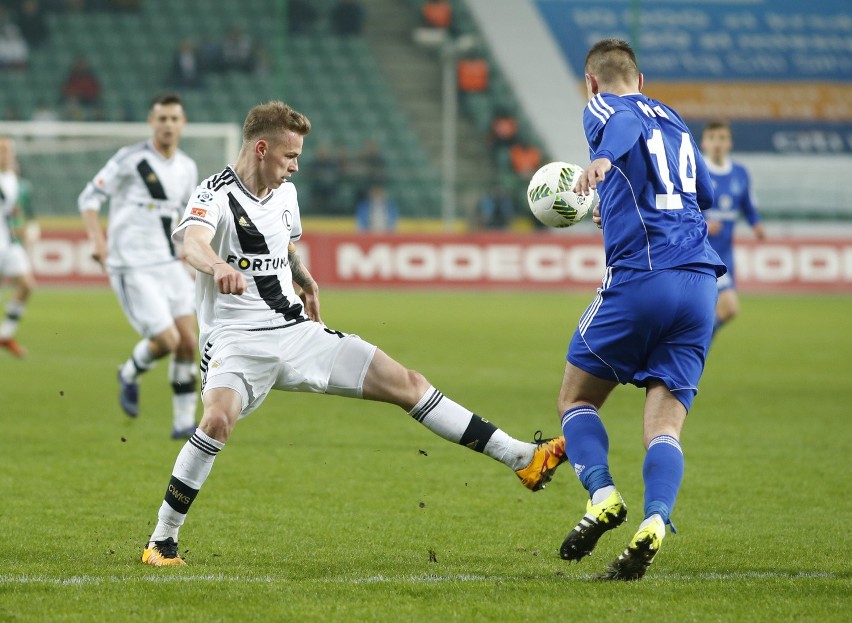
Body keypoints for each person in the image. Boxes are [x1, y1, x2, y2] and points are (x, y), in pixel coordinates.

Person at [140, 101, 568, 566]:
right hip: (235, 340)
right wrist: (218, 264)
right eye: (290, 157)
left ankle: (521, 457)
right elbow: (190, 242)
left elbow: (283, 246)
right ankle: (161, 542)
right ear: (261, 148)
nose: (296, 166)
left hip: (297, 331)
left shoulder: (286, 194)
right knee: (217, 421)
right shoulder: (215, 192)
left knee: (407, 383)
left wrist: (303, 279)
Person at [556, 39, 725, 580]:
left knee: (576, 398)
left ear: (593, 82)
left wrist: (604, 158)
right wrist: (619, 202)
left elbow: (622, 126)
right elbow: (708, 193)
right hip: (700, 284)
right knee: (665, 425)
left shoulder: (606, 107)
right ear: (643, 77)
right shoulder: (674, 119)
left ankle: (602, 494)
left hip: (642, 279)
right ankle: (655, 520)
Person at [78, 94, 200, 439]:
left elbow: (188, 218)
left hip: (168, 262)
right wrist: (96, 240)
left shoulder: (187, 167)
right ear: (151, 122)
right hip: (132, 266)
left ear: (183, 124)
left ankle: (182, 423)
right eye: (162, 118)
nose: (168, 125)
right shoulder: (129, 160)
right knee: (166, 340)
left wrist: (194, 257)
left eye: (174, 119)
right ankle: (129, 372)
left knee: (188, 343)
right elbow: (89, 198)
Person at [700, 120, 765, 337]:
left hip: (725, 254)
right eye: (712, 138)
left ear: (730, 143)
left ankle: (694, 347)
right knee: (729, 307)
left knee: (711, 312)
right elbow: (681, 207)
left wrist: (756, 224)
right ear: (704, 143)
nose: (717, 143)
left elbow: (748, 204)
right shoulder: (696, 171)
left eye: (722, 138)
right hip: (701, 252)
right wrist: (702, 224)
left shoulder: (740, 173)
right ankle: (695, 345)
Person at [0, 137, 35, 358]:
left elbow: (21, 211)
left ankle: (5, 334)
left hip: (11, 244)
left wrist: (25, 228)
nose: (4, 154)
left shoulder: (19, 182)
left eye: (7, 150)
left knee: (26, 285)